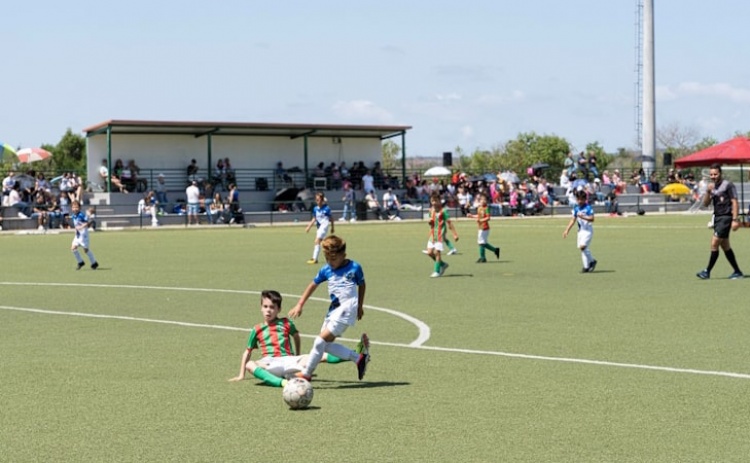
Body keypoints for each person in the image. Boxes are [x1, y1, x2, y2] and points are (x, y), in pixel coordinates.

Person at [288, 235, 370, 382]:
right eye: (327, 259)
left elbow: (362, 285)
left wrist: (360, 306)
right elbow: (312, 285)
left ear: (343, 255)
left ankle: (306, 374)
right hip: (334, 310)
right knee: (325, 346)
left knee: (319, 341)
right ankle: (358, 358)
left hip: (347, 309)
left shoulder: (355, 267)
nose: (330, 263)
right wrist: (300, 304)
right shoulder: (326, 269)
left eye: (333, 259)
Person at [228, 290, 345, 388]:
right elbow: (247, 351)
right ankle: (283, 383)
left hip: (289, 360)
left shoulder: (286, 323)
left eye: (272, 307)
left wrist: (297, 355)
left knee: (318, 354)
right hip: (269, 363)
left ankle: (357, 354)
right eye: (265, 306)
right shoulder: (257, 329)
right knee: (249, 364)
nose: (268, 310)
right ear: (261, 308)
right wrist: (241, 375)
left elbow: (296, 336)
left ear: (279, 309)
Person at [696, 164, 743, 280]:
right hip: (717, 218)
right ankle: (737, 271)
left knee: (714, 243)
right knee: (725, 246)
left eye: (715, 174)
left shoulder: (728, 185)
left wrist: (735, 219)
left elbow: (735, 202)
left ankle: (707, 271)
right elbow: (706, 204)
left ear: (720, 174)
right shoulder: (711, 186)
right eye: (711, 174)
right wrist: (707, 192)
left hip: (726, 217)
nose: (713, 176)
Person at [563, 189, 597, 273]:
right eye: (578, 199)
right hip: (580, 231)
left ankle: (592, 261)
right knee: (582, 249)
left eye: (582, 199)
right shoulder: (576, 208)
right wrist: (567, 230)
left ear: (585, 199)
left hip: (588, 230)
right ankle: (586, 267)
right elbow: (573, 219)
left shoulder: (588, 207)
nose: (580, 201)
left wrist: (583, 217)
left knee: (583, 246)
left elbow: (592, 219)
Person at [424, 192, 458, 277]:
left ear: (440, 201)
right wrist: (430, 223)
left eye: (436, 200)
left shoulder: (443, 211)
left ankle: (437, 271)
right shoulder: (430, 210)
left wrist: (455, 234)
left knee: (437, 253)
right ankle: (443, 264)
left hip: (440, 235)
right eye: (432, 201)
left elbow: (449, 223)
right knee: (429, 252)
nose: (434, 203)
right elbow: (431, 223)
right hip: (432, 235)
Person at [467, 193, 501, 263]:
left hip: (484, 227)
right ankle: (495, 250)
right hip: (480, 227)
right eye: (481, 200)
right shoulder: (479, 208)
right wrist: (472, 216)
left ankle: (483, 258)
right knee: (482, 243)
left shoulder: (486, 208)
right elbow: (479, 216)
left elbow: (488, 218)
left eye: (484, 200)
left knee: (481, 243)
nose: (483, 201)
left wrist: (480, 220)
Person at [305, 192, 334, 264]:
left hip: (324, 226)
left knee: (317, 241)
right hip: (319, 227)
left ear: (322, 200)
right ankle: (331, 257)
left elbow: (331, 218)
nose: (317, 201)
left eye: (319, 200)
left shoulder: (326, 209)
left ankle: (314, 259)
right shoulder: (315, 209)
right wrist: (309, 226)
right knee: (324, 243)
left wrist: (332, 227)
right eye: (316, 200)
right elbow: (314, 218)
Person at [70, 200, 99, 270]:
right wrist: (76, 230)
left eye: (76, 207)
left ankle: (94, 262)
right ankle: (80, 262)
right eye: (73, 207)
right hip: (77, 235)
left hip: (83, 235)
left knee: (85, 250)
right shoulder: (73, 216)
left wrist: (81, 227)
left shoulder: (81, 215)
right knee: (73, 248)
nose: (75, 209)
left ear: (79, 208)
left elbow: (87, 223)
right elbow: (76, 224)